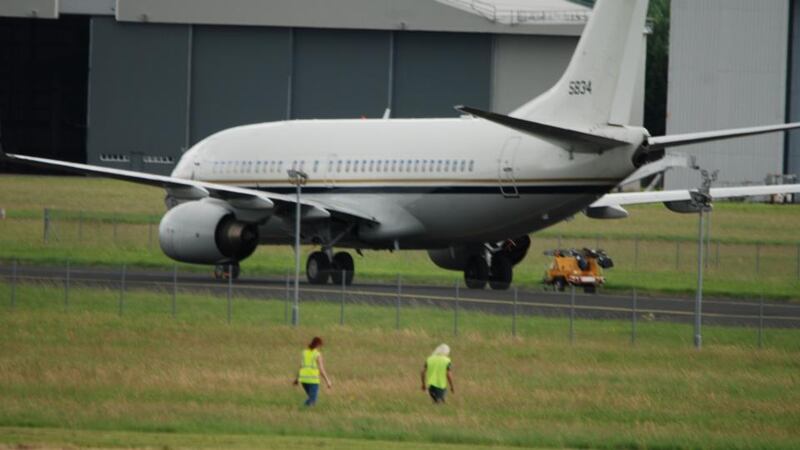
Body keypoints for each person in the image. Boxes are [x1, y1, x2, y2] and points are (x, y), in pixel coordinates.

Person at [293, 336, 332, 406]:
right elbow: (321, 369)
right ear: (318, 345)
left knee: (311, 398)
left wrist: (297, 379)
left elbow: (301, 367)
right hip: (313, 380)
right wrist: (327, 381)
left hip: (304, 380)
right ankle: (302, 410)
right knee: (312, 401)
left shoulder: (304, 352)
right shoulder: (317, 354)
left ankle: (302, 410)